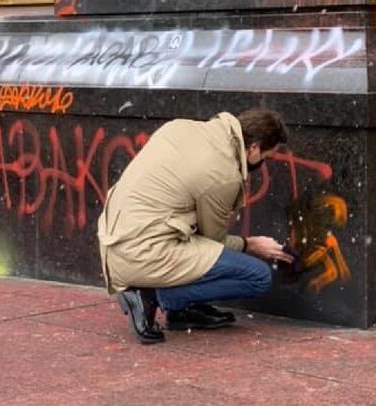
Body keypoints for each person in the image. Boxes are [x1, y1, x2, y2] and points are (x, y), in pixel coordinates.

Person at [97, 108, 294, 344]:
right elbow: (214, 242)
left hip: (114, 240)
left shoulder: (182, 127)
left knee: (197, 245)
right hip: (144, 251)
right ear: (253, 148)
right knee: (258, 277)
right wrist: (251, 244)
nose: (264, 164)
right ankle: (152, 296)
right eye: (267, 157)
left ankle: (183, 310)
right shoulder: (223, 174)